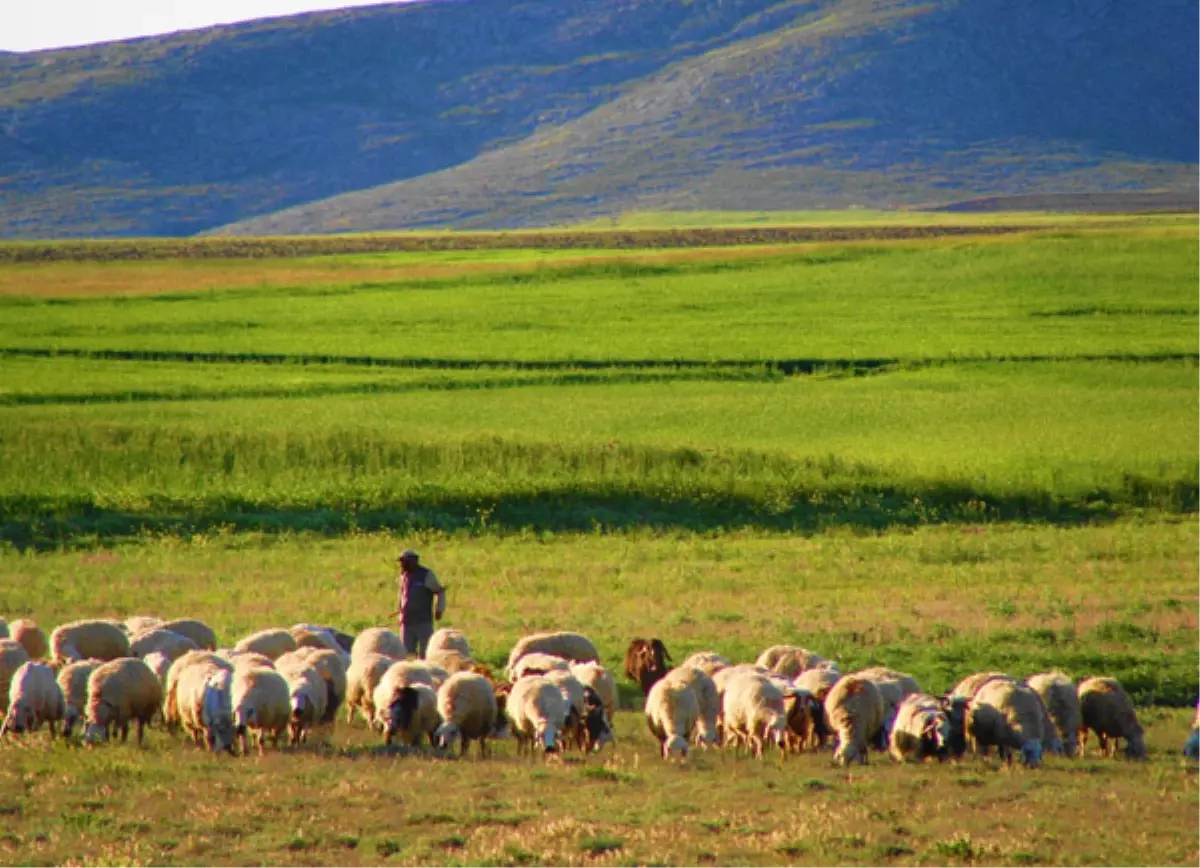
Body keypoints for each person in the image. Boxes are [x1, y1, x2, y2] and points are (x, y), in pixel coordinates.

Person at [395, 549, 446, 658]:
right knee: (405, 654)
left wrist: (439, 609)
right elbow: (402, 596)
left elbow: (439, 591)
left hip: (423, 622)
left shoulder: (426, 575)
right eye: (401, 562)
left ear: (414, 561)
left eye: (405, 561)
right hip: (406, 622)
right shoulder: (404, 576)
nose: (402, 564)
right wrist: (400, 613)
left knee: (426, 654)